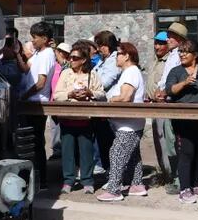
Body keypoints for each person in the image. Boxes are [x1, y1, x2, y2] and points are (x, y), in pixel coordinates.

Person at [161, 39, 198, 203]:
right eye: (180, 51)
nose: (182, 54)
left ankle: (197, 184)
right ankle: (184, 188)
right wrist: (184, 83)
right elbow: (169, 90)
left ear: (196, 55)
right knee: (187, 151)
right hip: (184, 117)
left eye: (186, 51)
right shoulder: (176, 71)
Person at [96, 42, 147, 201]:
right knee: (132, 156)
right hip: (129, 124)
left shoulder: (130, 72)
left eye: (118, 53)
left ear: (127, 56)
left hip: (128, 125)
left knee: (116, 153)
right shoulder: (131, 71)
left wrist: (111, 99)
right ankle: (137, 185)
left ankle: (114, 190)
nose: (116, 56)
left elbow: (125, 97)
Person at [53, 41, 106, 194]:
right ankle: (68, 181)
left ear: (83, 60)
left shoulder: (93, 75)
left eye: (75, 58)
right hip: (67, 119)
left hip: (86, 120)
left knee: (87, 151)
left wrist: (90, 93)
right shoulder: (65, 74)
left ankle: (87, 181)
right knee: (67, 152)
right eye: (70, 57)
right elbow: (57, 95)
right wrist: (69, 94)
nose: (71, 60)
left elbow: (102, 95)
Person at [19, 22, 57, 188]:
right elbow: (25, 69)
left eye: (35, 38)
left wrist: (24, 96)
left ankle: (41, 180)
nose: (32, 41)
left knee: (35, 143)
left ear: (44, 38)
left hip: (36, 104)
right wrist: (16, 54)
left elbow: (41, 83)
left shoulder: (48, 54)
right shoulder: (37, 54)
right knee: (30, 143)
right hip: (30, 103)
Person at [147, 31, 179, 194]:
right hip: (154, 104)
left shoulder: (172, 60)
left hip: (165, 104)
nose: (157, 46)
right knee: (159, 142)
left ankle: (172, 175)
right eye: (156, 43)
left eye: (161, 43)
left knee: (168, 142)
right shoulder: (157, 61)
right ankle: (165, 173)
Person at [92, 31, 121, 174]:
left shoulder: (114, 60)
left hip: (110, 105)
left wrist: (91, 87)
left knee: (110, 140)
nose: (98, 49)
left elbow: (104, 82)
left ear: (107, 45)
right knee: (102, 138)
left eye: (101, 45)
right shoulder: (103, 60)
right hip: (101, 105)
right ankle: (105, 166)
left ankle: (112, 170)